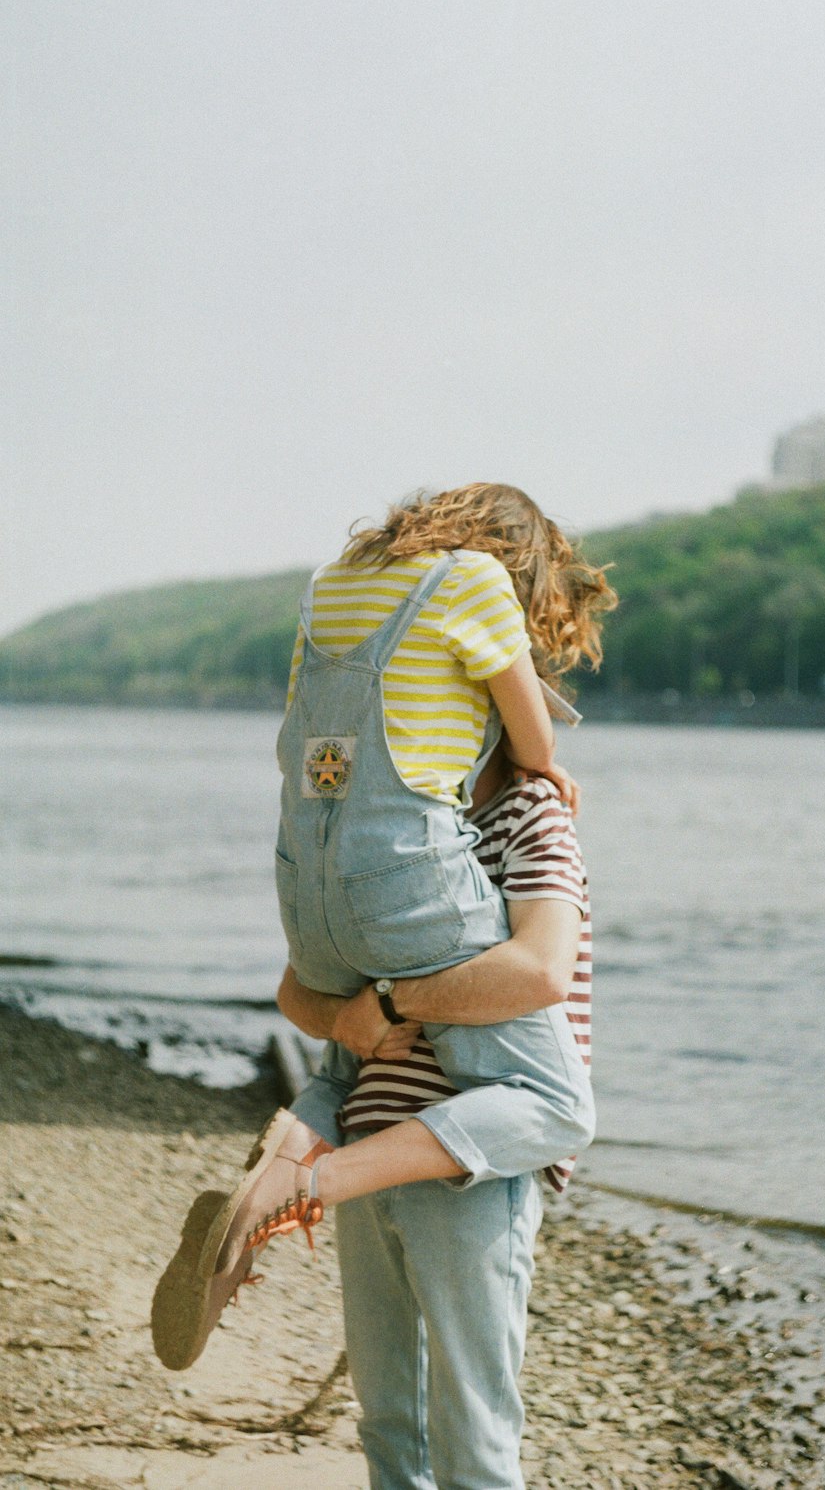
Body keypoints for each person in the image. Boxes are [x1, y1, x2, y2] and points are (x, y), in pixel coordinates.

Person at [152, 483, 613, 1362]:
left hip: (308, 881)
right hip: (401, 874)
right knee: (555, 1104)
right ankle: (307, 1181)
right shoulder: (475, 580)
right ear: (520, 566)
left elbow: (299, 736)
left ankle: (304, 1132)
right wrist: (543, 771)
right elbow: (536, 743)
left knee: (352, 1049)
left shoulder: (329, 583)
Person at [282, 746, 593, 1490]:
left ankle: (300, 1178)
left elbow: (543, 969)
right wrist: (350, 1019)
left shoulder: (528, 812)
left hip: (473, 1159)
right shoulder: (393, 830)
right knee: (388, 1423)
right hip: (368, 1135)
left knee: (471, 1440)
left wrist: (392, 1001)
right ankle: (303, 1174)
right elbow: (296, 990)